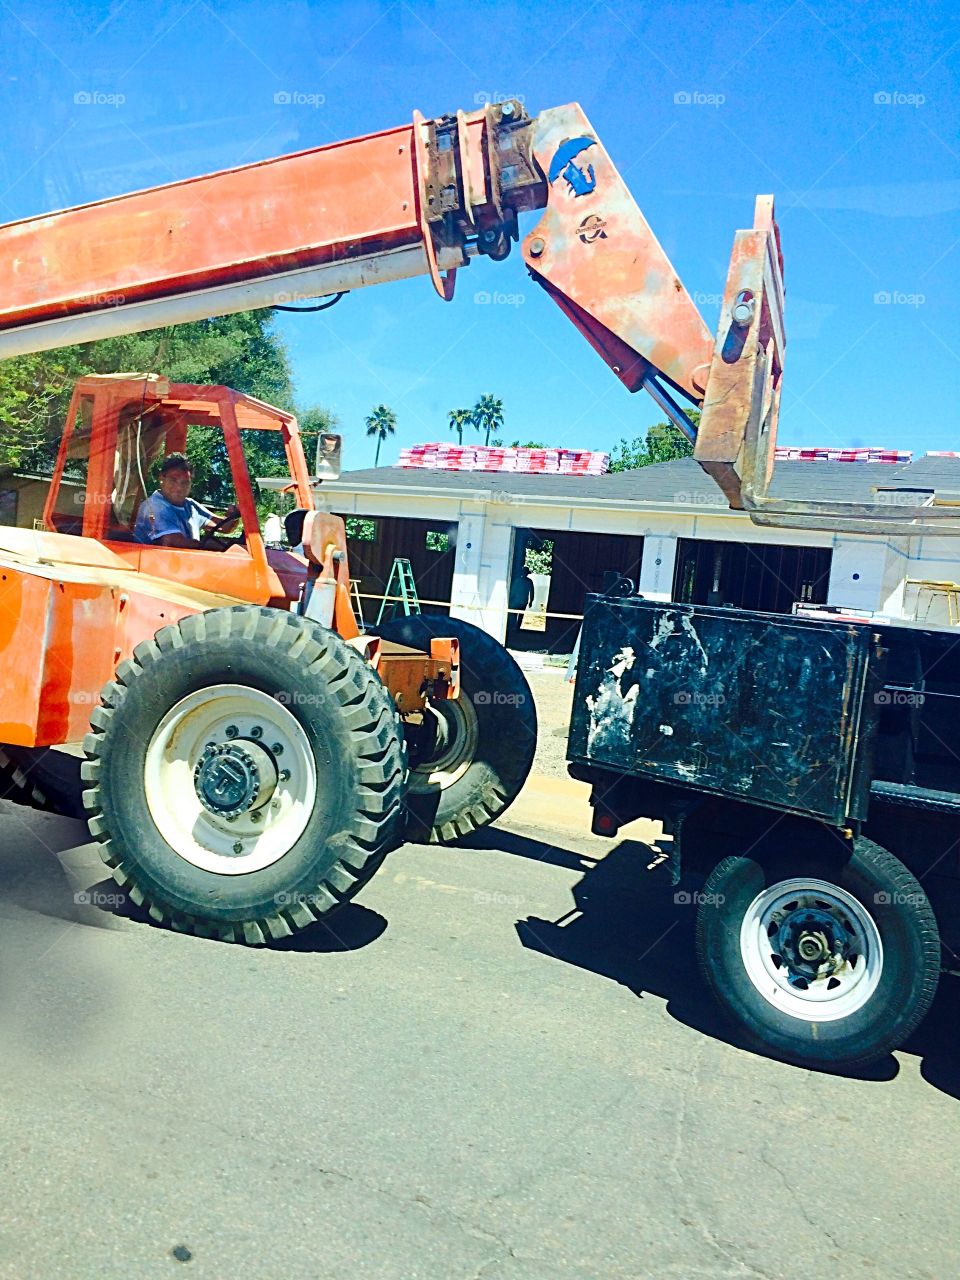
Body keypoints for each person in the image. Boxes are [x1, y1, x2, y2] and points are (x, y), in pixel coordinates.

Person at [133, 453, 241, 550]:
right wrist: (226, 547)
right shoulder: (154, 507)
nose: (179, 487)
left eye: (185, 482)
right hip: (156, 567)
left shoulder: (190, 505)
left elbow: (224, 527)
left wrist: (236, 513)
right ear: (162, 478)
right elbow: (173, 542)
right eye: (173, 480)